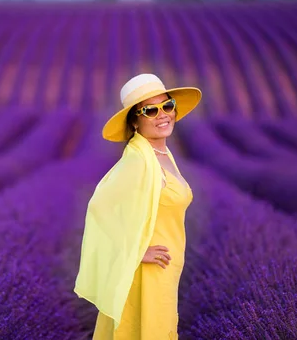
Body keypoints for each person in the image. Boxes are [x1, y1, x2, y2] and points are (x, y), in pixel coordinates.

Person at [74, 73, 202, 339]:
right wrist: (136, 251)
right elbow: (100, 207)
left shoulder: (161, 154)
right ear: (135, 121)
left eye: (167, 106)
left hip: (165, 268)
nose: (162, 115)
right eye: (150, 110)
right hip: (146, 273)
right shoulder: (138, 161)